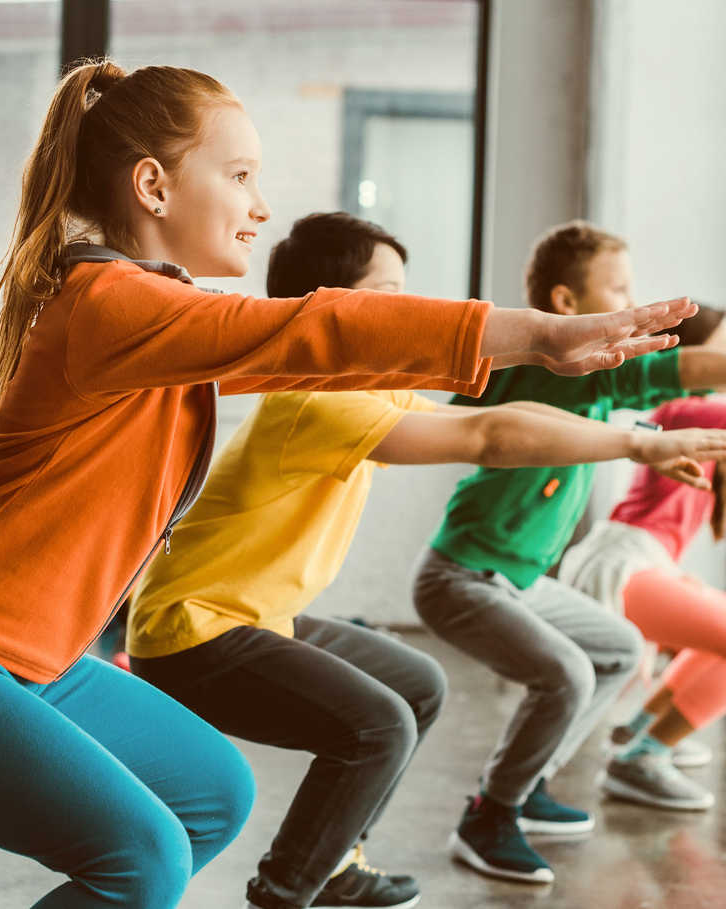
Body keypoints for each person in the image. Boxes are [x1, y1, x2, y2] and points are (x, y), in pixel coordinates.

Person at [0, 62, 694, 908]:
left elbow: (321, 345)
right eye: (240, 175)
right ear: (153, 187)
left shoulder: (156, 319)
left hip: (30, 659)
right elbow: (318, 330)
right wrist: (538, 336)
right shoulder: (109, 306)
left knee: (212, 794)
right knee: (143, 857)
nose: (261, 205)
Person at [125, 213, 726, 909]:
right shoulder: (316, 397)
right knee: (378, 724)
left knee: (417, 682)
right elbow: (488, 432)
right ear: (330, 310)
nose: (408, 312)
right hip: (193, 631)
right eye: (389, 294)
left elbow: (503, 414)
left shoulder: (363, 386)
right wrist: (634, 447)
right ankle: (285, 891)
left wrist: (634, 441)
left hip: (257, 617)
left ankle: (338, 858)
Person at [411, 221, 726, 886]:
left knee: (612, 649)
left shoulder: (590, 381)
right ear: (564, 304)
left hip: (517, 576)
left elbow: (669, 388)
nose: (629, 301)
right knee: (568, 676)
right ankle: (490, 814)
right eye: (617, 289)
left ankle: (529, 780)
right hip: (464, 573)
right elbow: (687, 369)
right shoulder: (557, 372)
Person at [560, 394, 726, 811]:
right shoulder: (685, 411)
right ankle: (641, 758)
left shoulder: (698, 420)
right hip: (622, 563)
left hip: (640, 560)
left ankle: (641, 730)